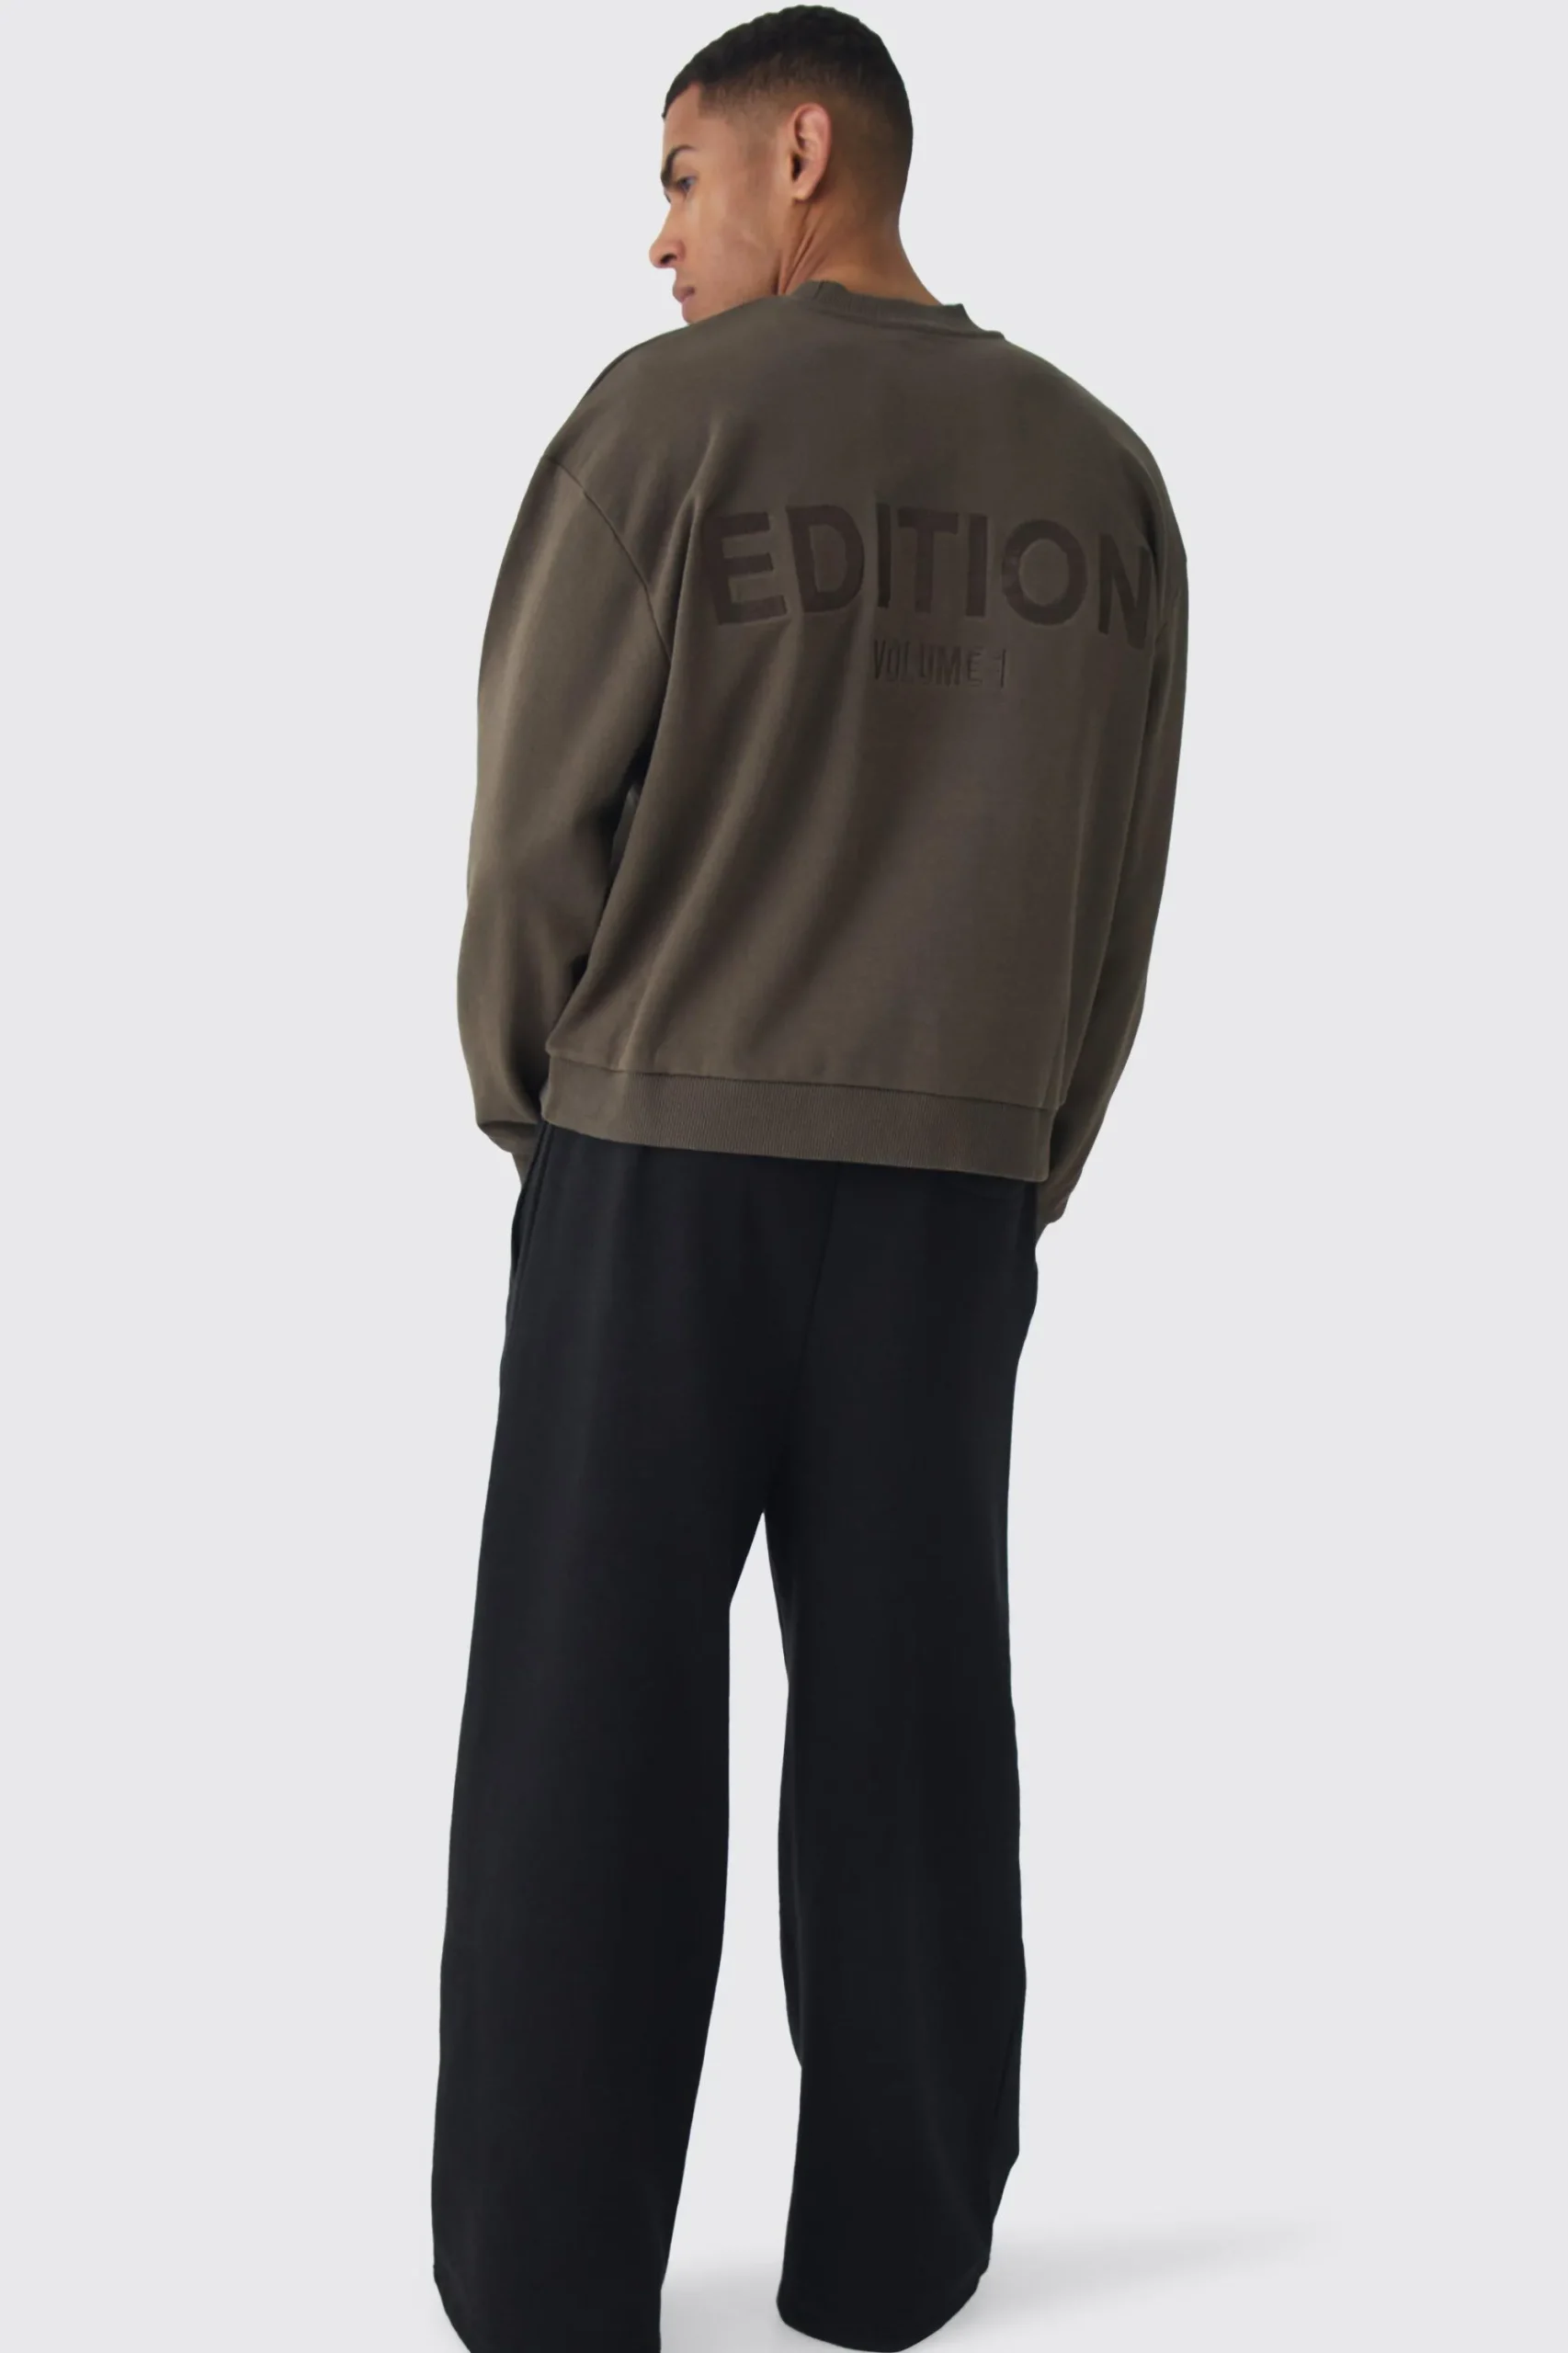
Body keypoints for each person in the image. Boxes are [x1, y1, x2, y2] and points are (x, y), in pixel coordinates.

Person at [431, 8, 1189, 2349]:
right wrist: (1023, 1145)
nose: (657, 242)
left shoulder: (659, 429)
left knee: (588, 1726)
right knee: (911, 1720)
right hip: (952, 1181)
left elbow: (532, 831)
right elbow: (1116, 882)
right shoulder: (1101, 477)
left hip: (656, 1154)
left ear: (799, 149)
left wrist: (533, 1103)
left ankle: (552, 2276)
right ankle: (893, 2254)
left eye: (679, 180)